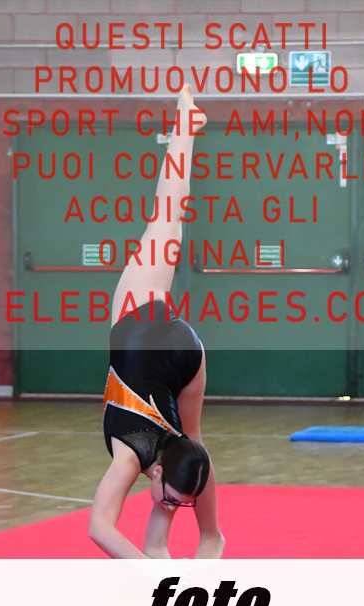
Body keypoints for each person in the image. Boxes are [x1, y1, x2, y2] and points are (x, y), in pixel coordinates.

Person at [88, 85, 225, 560]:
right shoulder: (132, 456)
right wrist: (149, 572)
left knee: (169, 217)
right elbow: (98, 528)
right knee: (167, 213)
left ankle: (212, 538)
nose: (170, 505)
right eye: (173, 498)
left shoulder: (169, 463)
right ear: (159, 472)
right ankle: (212, 538)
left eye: (178, 503)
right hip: (142, 317)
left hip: (182, 353)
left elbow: (119, 530)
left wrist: (153, 565)